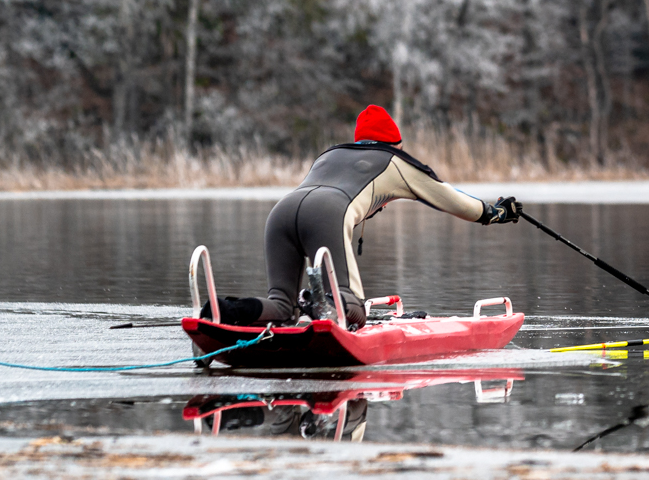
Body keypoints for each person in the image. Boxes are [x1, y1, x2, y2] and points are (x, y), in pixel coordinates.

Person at [206, 105, 520, 328]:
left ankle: (226, 308)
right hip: (328, 215)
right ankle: (320, 305)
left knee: (281, 306)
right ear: (395, 143)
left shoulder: (330, 155)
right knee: (354, 308)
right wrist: (496, 212)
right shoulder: (396, 161)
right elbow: (454, 201)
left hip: (281, 213)